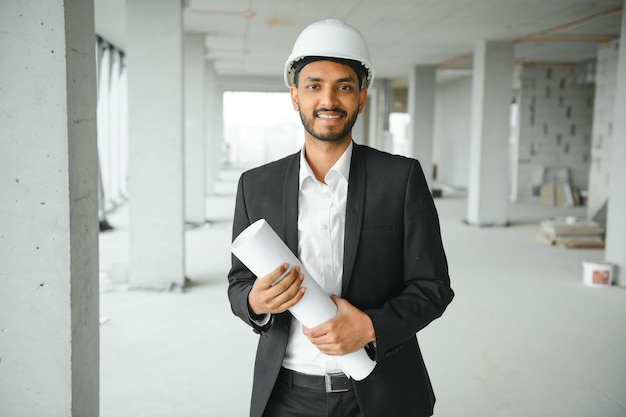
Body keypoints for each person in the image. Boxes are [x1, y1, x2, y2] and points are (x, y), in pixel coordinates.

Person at [227, 19, 454, 417]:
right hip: (287, 395)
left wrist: (370, 326)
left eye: (344, 86)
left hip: (380, 391)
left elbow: (433, 287)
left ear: (362, 98)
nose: (328, 100)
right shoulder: (255, 185)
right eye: (314, 85)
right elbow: (238, 283)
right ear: (295, 96)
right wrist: (255, 301)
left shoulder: (400, 179)